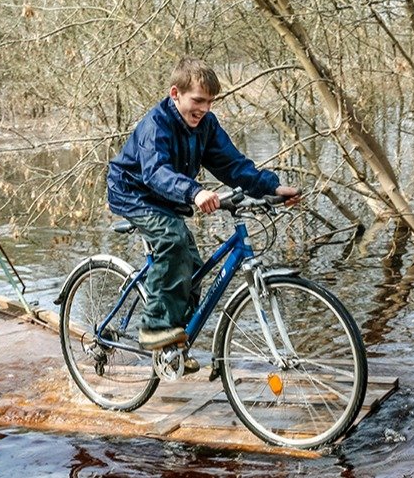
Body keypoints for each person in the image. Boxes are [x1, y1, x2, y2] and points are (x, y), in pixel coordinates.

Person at [107, 57, 300, 356]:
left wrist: (270, 188)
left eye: (210, 102)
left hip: (168, 196)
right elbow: (156, 172)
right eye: (198, 100)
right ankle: (154, 327)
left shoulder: (205, 124)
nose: (205, 109)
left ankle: (172, 345)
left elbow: (232, 165)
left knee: (193, 267)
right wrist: (194, 191)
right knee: (172, 241)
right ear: (175, 94)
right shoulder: (155, 125)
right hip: (134, 193)